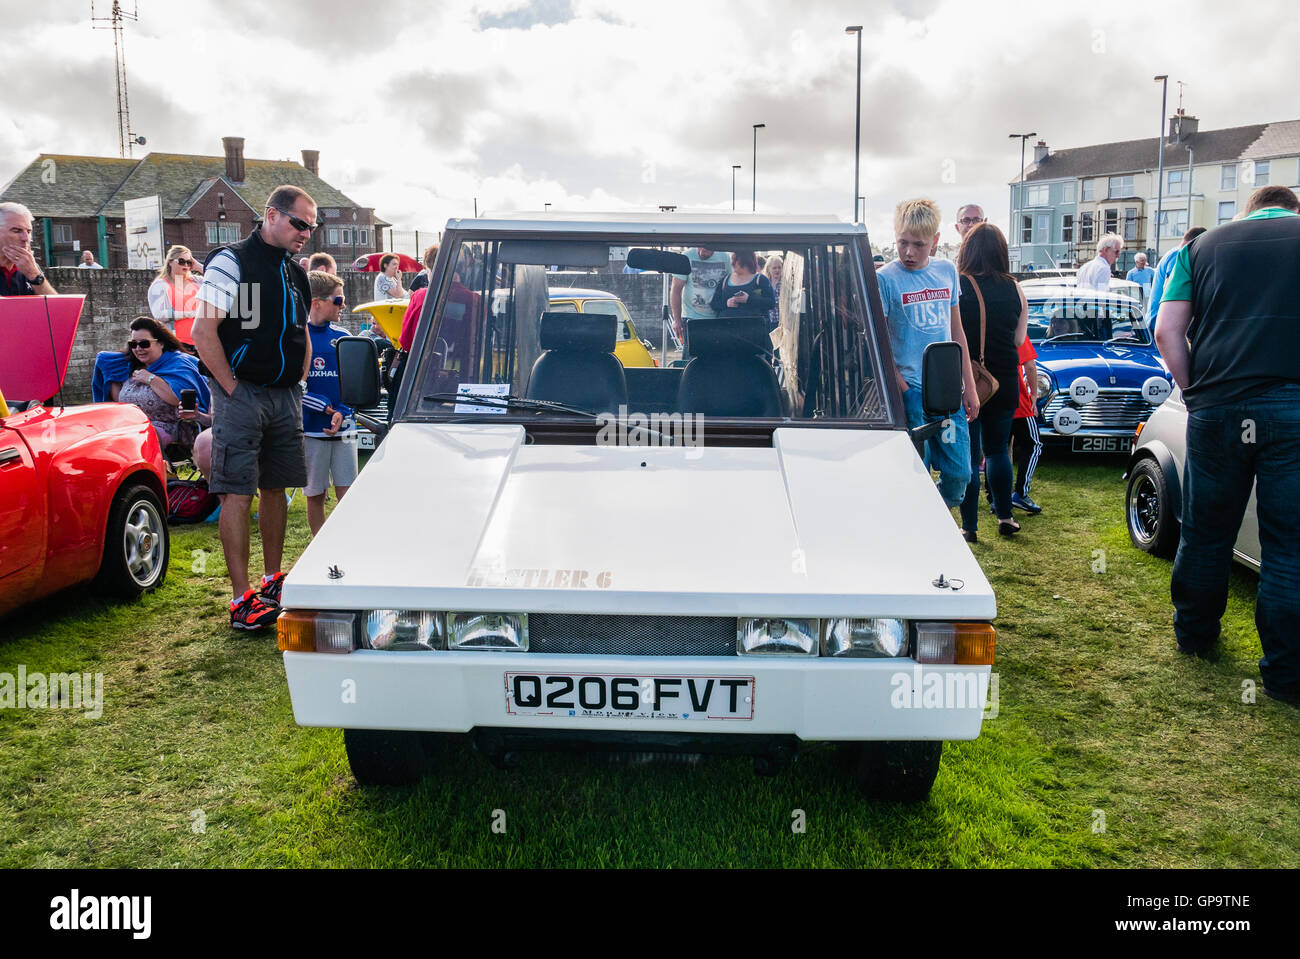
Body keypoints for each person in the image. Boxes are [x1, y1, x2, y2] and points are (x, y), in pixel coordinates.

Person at [1154, 185, 1300, 704]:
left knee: (1205, 530)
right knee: (1288, 545)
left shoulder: (1200, 247)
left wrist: (1194, 391)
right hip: (1291, 405)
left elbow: (1167, 329)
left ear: (1248, 211)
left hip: (1219, 405)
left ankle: (1195, 637)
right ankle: (1285, 675)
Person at [191, 184, 316, 632]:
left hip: (285, 395)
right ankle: (241, 597)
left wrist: (298, 384)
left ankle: (272, 579)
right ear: (271, 215)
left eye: (311, 227)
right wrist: (232, 388)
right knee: (237, 492)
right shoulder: (232, 261)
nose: (305, 233)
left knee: (276, 488)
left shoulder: (294, 272)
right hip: (241, 394)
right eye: (299, 223)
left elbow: (300, 333)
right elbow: (204, 332)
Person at [877, 198, 979, 511]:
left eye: (918, 245)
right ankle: (913, 527)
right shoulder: (885, 278)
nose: (908, 252)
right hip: (910, 388)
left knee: (960, 474)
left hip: (946, 389)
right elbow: (880, 344)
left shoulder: (947, 271)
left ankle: (930, 512)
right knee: (912, 470)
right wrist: (902, 389)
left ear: (935, 242)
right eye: (902, 243)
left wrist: (970, 386)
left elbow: (956, 332)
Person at [956, 223, 1028, 541]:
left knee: (970, 455)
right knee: (998, 450)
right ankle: (1005, 515)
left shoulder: (959, 285)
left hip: (967, 380)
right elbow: (1019, 337)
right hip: (1005, 379)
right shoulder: (1015, 288)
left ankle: (969, 527)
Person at [302, 271, 357, 537]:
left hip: (345, 426)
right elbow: (295, 388)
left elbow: (355, 384)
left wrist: (342, 412)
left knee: (347, 492)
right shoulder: (297, 337)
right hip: (313, 429)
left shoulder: (344, 336)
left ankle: (345, 544)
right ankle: (318, 547)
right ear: (317, 302)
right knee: (315, 493)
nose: (343, 305)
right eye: (338, 300)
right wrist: (325, 408)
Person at [111, 316, 211, 449]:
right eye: (133, 344)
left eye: (144, 343)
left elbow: (178, 399)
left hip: (170, 429)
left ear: (161, 343)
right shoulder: (130, 366)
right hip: (132, 427)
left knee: (129, 442)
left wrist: (150, 379)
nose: (138, 348)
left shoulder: (178, 364)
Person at [670, 247, 732, 344]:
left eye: (707, 249)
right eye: (700, 247)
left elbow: (731, 284)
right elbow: (676, 290)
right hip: (691, 318)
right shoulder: (686, 257)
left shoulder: (725, 257)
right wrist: (677, 319)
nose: (703, 251)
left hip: (717, 317)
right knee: (691, 356)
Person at [1147, 227, 1206, 327]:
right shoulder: (1179, 254)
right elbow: (1170, 287)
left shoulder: (1174, 252)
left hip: (1159, 322)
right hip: (1163, 324)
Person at [0, 202, 58, 295]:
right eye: (17, 231)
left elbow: (56, 307)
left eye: (28, 231)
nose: (26, 238)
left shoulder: (27, 264)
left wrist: (34, 275)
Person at [148, 245, 200, 344]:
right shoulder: (160, 285)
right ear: (170, 262)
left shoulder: (196, 281)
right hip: (176, 343)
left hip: (200, 342)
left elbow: (217, 278)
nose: (185, 265)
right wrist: (189, 313)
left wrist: (198, 266)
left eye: (189, 262)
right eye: (181, 261)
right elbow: (159, 314)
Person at [710, 251, 775, 319]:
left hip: (752, 326)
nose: (733, 264)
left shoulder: (761, 279)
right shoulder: (725, 279)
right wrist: (726, 303)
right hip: (726, 326)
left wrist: (749, 299)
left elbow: (771, 303)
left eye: (736, 261)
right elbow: (714, 304)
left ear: (746, 261)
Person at [764, 255, 784, 326]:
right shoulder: (765, 284)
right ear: (768, 269)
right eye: (774, 268)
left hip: (783, 323)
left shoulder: (785, 284)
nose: (777, 270)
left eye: (779, 267)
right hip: (769, 322)